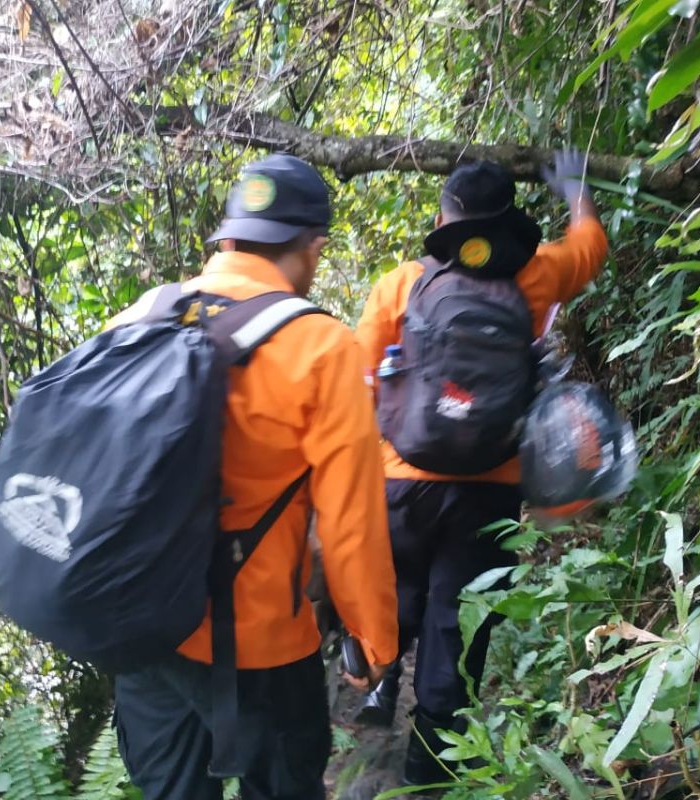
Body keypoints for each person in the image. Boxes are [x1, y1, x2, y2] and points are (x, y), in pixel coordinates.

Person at [107, 153, 399, 800]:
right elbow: (351, 524)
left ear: (229, 238)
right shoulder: (322, 347)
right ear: (312, 246)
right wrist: (373, 639)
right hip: (259, 643)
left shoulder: (142, 314)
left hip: (142, 626)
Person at [354, 151, 608, 783]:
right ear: (509, 220)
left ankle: (374, 685)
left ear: (444, 217)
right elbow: (592, 245)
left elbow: (356, 386)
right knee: (458, 629)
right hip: (490, 489)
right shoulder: (540, 273)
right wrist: (574, 186)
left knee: (397, 595)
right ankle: (428, 771)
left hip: (400, 478)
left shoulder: (399, 284)